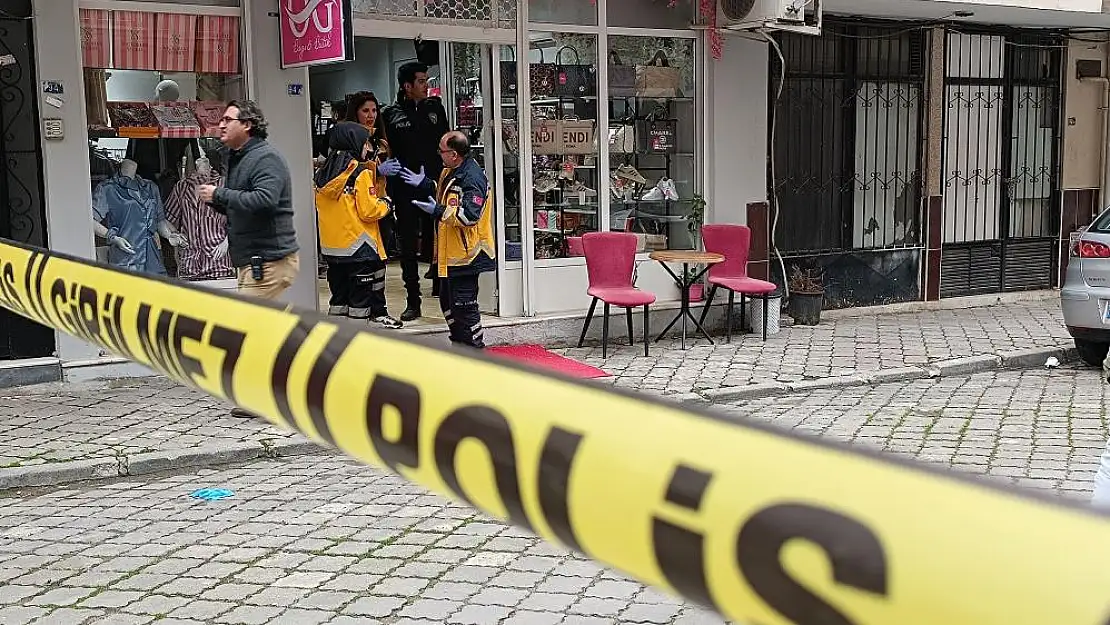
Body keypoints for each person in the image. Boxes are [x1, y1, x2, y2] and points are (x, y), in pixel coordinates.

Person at [198, 100, 299, 302]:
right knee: (262, 327)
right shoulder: (240, 158)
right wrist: (215, 200)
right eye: (221, 120)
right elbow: (244, 206)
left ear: (247, 124)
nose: (221, 125)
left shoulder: (265, 158)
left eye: (228, 119)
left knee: (244, 326)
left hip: (269, 263)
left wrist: (219, 194)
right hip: (255, 263)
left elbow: (265, 200)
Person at [401, 131, 495, 348]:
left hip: (467, 255)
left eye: (441, 151)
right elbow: (444, 192)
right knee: (448, 304)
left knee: (465, 307)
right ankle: (460, 347)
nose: (438, 154)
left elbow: (470, 216)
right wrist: (425, 184)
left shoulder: (472, 178)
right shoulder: (451, 172)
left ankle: (475, 352)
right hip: (450, 255)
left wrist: (438, 211)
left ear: (453, 154)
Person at [314, 121, 402, 329]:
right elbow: (369, 211)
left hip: (332, 250)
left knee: (338, 301)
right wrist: (387, 203)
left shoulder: (323, 174)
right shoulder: (359, 173)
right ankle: (357, 344)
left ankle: (334, 342)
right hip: (359, 249)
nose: (368, 148)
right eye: (364, 144)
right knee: (359, 305)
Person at [379, 62, 449, 322]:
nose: (426, 85)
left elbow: (447, 143)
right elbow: (384, 148)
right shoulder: (391, 114)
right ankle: (413, 299)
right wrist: (384, 170)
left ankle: (444, 291)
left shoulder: (434, 108)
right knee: (408, 246)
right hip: (405, 187)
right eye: (421, 81)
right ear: (407, 86)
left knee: (442, 238)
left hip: (433, 185)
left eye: (427, 80)